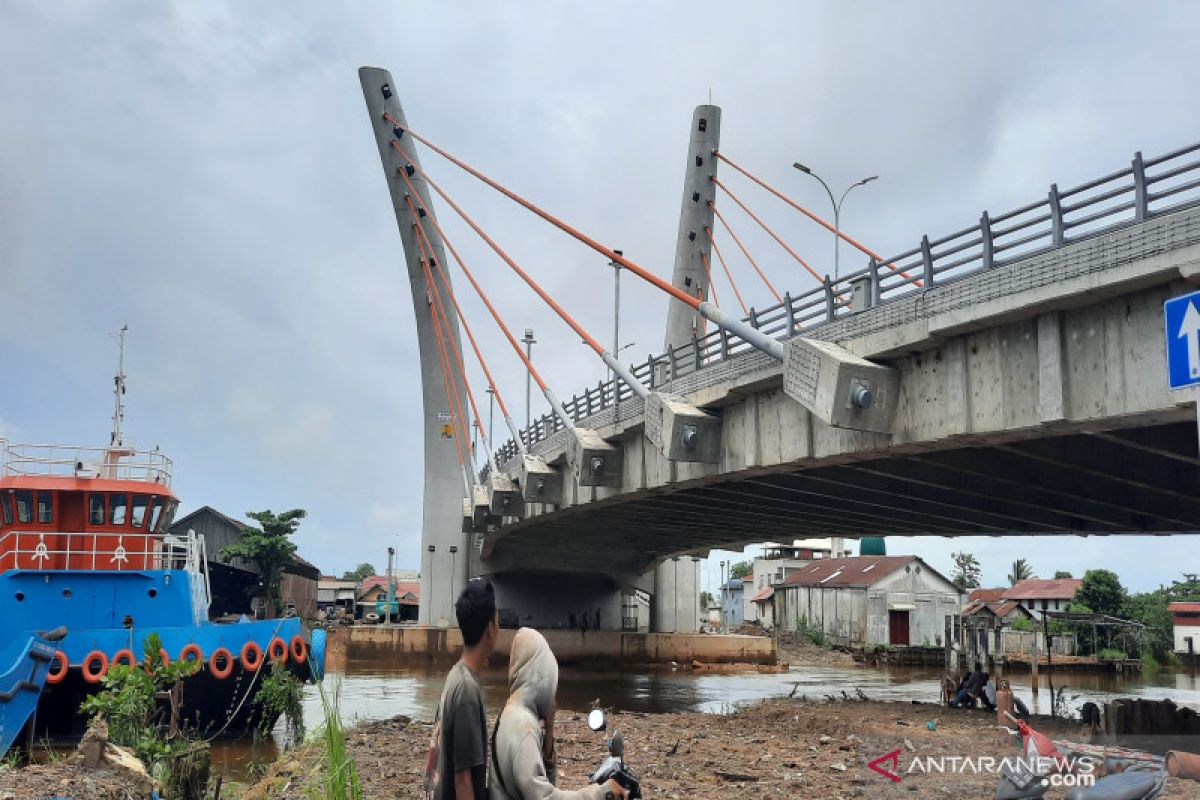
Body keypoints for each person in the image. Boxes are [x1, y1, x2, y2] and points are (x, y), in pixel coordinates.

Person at [491, 628, 626, 799]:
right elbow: (545, 797)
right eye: (551, 682)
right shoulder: (521, 726)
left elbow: (543, 786)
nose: (553, 694)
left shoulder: (514, 714)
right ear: (540, 677)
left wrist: (548, 735)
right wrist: (598, 794)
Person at [426, 578, 499, 800]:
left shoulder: (455, 675)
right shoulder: (467, 689)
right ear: (490, 628)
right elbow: (462, 780)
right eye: (498, 621)